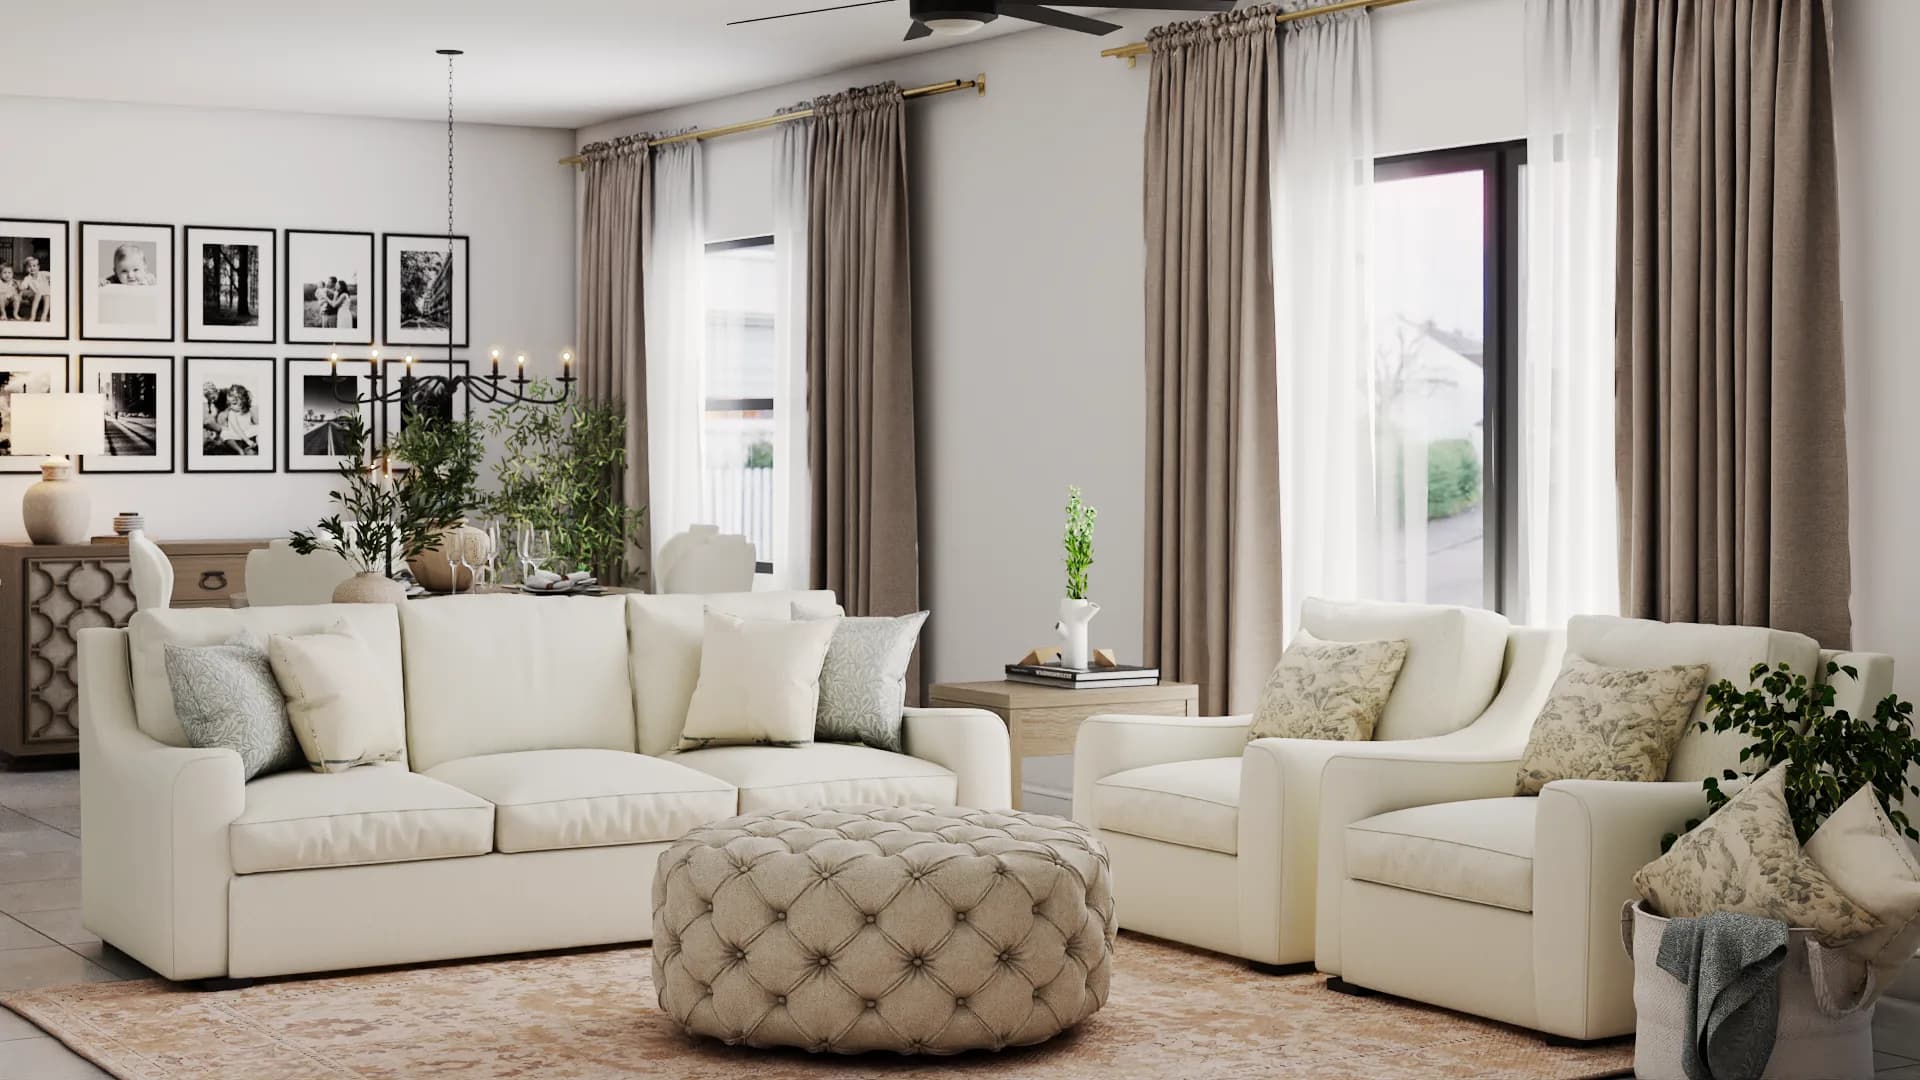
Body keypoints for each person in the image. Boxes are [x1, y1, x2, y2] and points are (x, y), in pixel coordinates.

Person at [217, 384, 258, 455]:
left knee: (260, 428)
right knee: (225, 434)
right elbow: (236, 428)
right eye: (229, 404)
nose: (231, 406)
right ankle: (239, 450)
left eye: (234, 403)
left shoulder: (248, 410)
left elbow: (255, 422)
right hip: (235, 435)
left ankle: (256, 445)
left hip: (246, 433)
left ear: (244, 401)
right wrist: (247, 440)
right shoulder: (232, 413)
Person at [19, 257, 50, 321]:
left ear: (38, 267)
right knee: (38, 294)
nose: (32, 268)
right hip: (35, 297)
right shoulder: (27, 278)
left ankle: (44, 316)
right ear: (26, 269)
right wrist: (19, 286)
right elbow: (23, 286)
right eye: (29, 267)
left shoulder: (43, 274)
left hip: (46, 295)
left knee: (47, 295)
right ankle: (33, 316)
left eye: (34, 266)